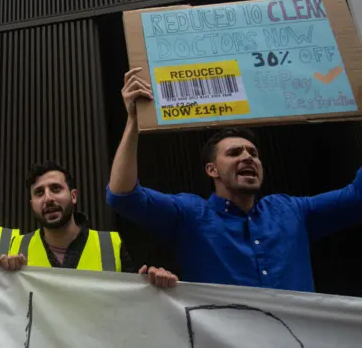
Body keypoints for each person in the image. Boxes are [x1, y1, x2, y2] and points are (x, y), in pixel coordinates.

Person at [106, 67, 362, 292]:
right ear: (212, 170)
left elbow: (357, 196)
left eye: (253, 153)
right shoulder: (190, 215)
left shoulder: (292, 211)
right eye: (234, 153)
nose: (248, 157)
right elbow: (122, 197)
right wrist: (134, 121)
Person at [1, 161, 177, 288]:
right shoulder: (15, 248)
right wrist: (2, 275)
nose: (48, 198)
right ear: (32, 204)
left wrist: (150, 287)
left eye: (55, 189)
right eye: (39, 192)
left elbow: (130, 304)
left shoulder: (111, 245)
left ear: (74, 196)